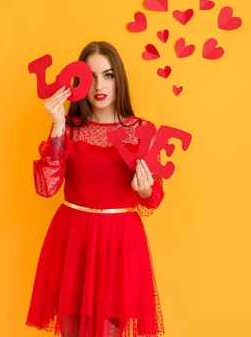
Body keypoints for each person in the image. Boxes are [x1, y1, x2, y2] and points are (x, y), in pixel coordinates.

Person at [26, 41, 165, 337]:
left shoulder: (142, 130)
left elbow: (153, 200)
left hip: (120, 242)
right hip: (74, 237)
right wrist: (58, 126)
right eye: (91, 77)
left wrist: (144, 189)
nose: (99, 85)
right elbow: (46, 188)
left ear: (119, 80)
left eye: (108, 75)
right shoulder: (70, 128)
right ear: (78, 83)